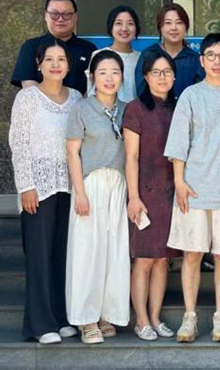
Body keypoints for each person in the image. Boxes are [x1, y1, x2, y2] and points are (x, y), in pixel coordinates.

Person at [165, 33, 220, 343]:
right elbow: (178, 143)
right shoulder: (190, 95)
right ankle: (189, 317)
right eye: (211, 55)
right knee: (192, 254)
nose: (217, 61)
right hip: (194, 189)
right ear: (202, 61)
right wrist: (179, 181)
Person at [9, 38, 81, 344]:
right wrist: (26, 186)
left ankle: (61, 318)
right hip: (38, 188)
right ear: (38, 64)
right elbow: (18, 144)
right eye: (49, 59)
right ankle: (41, 325)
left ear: (68, 65)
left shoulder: (76, 98)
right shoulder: (27, 98)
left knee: (63, 255)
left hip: (69, 187)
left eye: (61, 59)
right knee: (39, 256)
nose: (55, 64)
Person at [65, 50, 129, 345]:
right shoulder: (81, 108)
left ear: (122, 77)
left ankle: (107, 315)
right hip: (91, 184)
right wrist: (79, 192)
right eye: (102, 72)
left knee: (114, 252)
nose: (109, 78)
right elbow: (72, 153)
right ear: (92, 76)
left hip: (119, 184)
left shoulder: (127, 110)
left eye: (115, 72)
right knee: (88, 253)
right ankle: (86, 319)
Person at [123, 47, 181, 341]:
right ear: (145, 77)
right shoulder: (135, 109)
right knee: (144, 259)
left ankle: (156, 317)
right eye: (156, 72)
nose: (162, 77)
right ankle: (141, 320)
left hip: (172, 194)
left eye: (167, 72)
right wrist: (134, 197)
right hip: (144, 192)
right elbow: (131, 157)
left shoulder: (179, 108)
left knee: (162, 259)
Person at [11, 0, 96, 95]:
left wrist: (79, 104)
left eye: (67, 14)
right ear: (46, 16)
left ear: (75, 17)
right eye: (54, 14)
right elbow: (29, 85)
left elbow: (93, 86)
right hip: (40, 104)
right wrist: (55, 103)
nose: (60, 19)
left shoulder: (89, 49)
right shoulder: (31, 47)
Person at [135, 3, 203, 99]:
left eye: (179, 22)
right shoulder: (148, 55)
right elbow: (141, 92)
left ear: (186, 27)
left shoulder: (195, 59)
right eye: (168, 23)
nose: (173, 28)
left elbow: (200, 95)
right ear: (160, 27)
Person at [87, 5, 141, 102]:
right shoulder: (99, 55)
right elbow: (91, 92)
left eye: (130, 23)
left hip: (135, 111)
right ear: (111, 27)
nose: (124, 28)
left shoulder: (142, 58)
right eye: (118, 23)